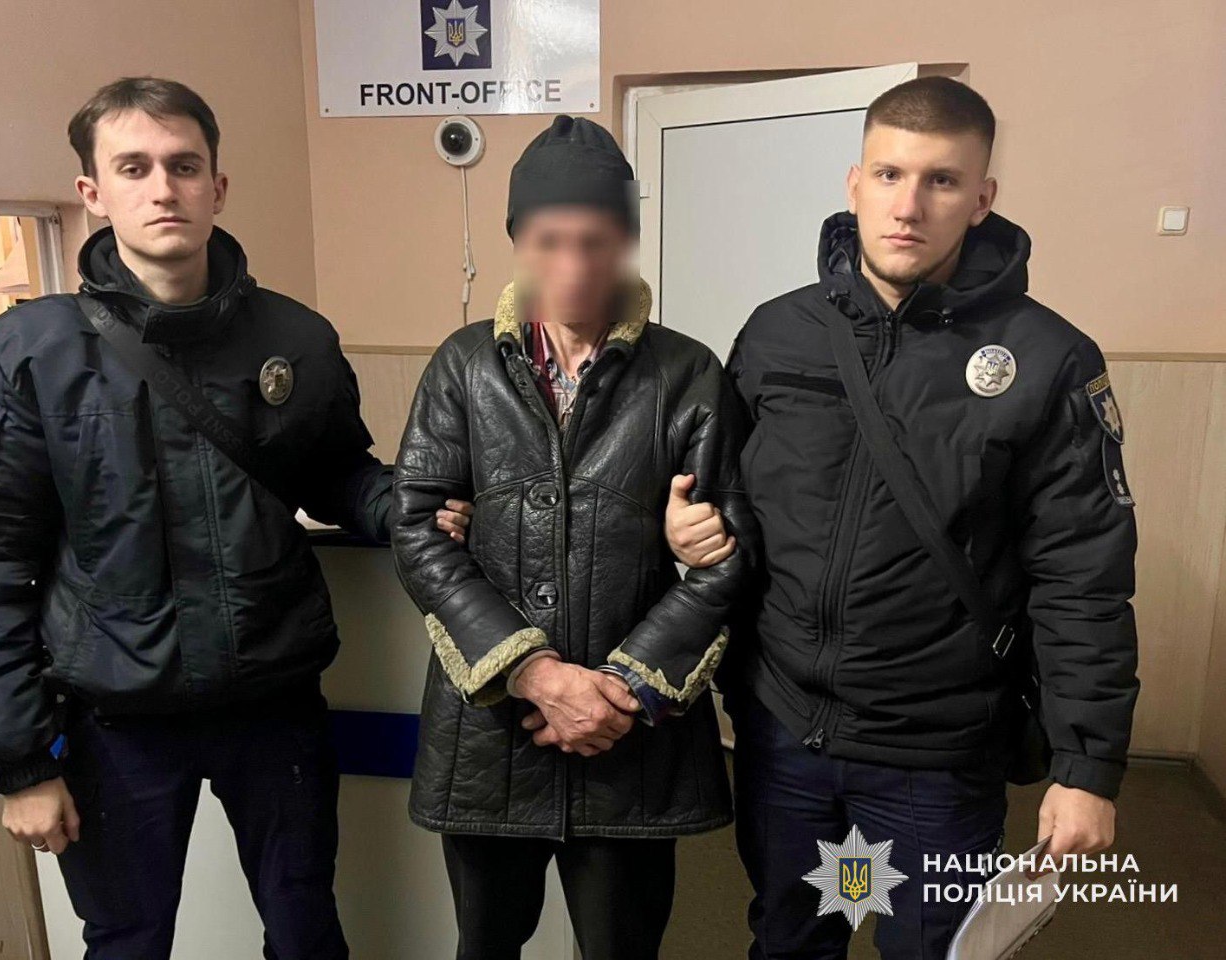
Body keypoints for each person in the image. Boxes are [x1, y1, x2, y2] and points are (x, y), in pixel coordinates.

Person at [0, 77, 471, 959]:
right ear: (92, 192)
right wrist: (20, 762)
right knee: (127, 941)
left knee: (306, 929)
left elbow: (335, 474)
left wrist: (414, 509)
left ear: (217, 186)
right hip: (114, 719)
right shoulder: (27, 354)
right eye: (134, 168)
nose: (164, 188)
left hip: (273, 702)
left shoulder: (294, 338)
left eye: (184, 166)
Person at [696, 77, 1138, 959]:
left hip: (935, 754)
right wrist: (694, 531)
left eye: (941, 180)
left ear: (983, 197)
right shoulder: (778, 334)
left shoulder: (1047, 358)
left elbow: (1082, 573)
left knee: (928, 951)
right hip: (786, 733)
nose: (908, 206)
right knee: (794, 939)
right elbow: (730, 501)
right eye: (890, 175)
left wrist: (1086, 766)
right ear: (854, 182)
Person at [391, 114, 754, 960]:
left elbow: (728, 555)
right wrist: (536, 674)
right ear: (516, 239)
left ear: (626, 239)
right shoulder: (462, 366)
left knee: (623, 948)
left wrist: (618, 690)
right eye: (549, 242)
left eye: (596, 242)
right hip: (493, 738)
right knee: (486, 945)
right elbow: (419, 530)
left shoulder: (688, 374)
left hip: (631, 748)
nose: (573, 266)